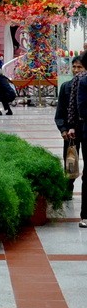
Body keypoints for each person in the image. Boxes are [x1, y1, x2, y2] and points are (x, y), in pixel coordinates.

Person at [61, 54, 87, 227]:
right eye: (74, 67)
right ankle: (68, 188)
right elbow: (61, 110)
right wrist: (64, 128)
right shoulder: (67, 86)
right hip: (72, 131)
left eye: (80, 67)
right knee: (70, 160)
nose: (76, 70)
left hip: (83, 129)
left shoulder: (82, 83)